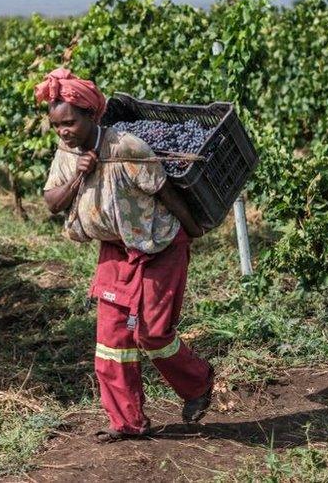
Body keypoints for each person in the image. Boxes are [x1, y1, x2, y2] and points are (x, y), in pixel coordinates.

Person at [35, 67, 215, 443]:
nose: (64, 131)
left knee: (152, 333)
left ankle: (198, 382)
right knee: (111, 342)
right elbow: (52, 202)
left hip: (159, 245)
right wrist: (78, 176)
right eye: (57, 126)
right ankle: (128, 422)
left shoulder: (126, 147)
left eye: (70, 123)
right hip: (116, 251)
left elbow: (165, 191)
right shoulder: (66, 156)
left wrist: (193, 231)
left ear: (92, 116)